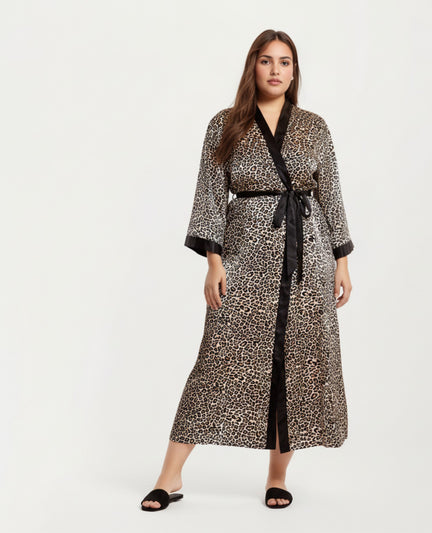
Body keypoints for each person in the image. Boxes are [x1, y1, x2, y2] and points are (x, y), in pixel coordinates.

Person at [140, 28, 355, 511]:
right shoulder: (225, 124)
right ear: (252, 67)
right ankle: (169, 476)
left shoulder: (314, 127)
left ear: (294, 72)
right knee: (215, 360)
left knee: (296, 365)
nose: (275, 70)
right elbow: (210, 195)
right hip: (244, 256)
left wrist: (341, 261)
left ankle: (277, 477)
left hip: (309, 260)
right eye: (266, 60)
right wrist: (214, 262)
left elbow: (331, 194)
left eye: (285, 62)